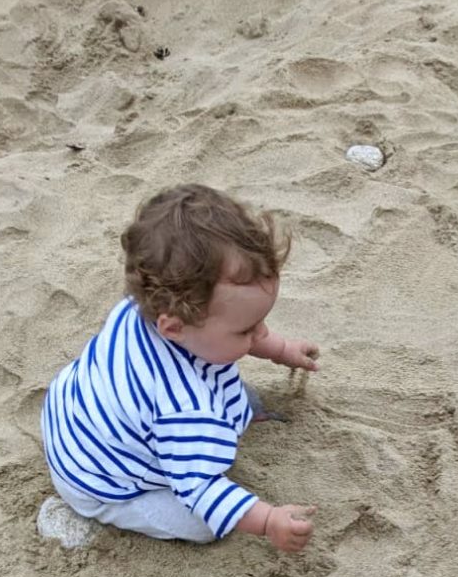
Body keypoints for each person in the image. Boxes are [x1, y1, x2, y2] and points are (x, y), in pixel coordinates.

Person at [41, 184, 319, 553]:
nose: (260, 334)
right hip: (101, 481)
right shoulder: (185, 409)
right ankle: (114, 508)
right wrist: (268, 520)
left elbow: (241, 332)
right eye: (246, 330)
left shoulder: (146, 306)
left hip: (73, 415)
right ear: (173, 327)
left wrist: (281, 349)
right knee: (206, 525)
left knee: (238, 393)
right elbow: (201, 488)